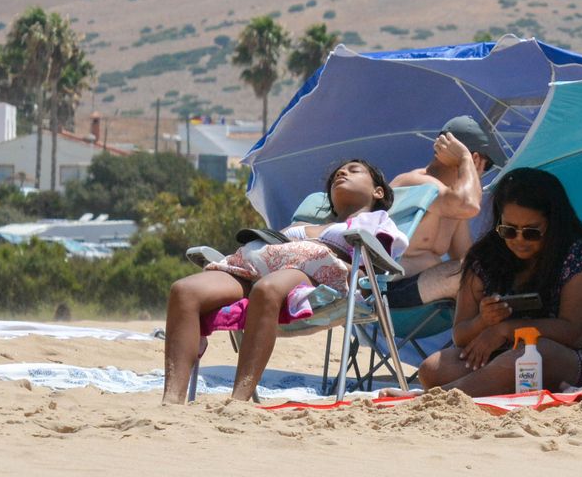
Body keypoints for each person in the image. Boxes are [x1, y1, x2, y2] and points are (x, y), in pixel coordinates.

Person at [161, 159, 404, 404]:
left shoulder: (375, 223)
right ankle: (171, 400)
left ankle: (238, 401)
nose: (342, 172)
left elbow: (375, 266)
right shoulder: (306, 225)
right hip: (256, 268)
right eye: (338, 174)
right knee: (185, 291)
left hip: (313, 274)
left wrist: (351, 268)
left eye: (354, 171)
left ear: (378, 191)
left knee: (268, 289)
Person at [412, 167, 582, 393]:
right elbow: (461, 336)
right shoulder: (484, 259)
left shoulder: (581, 258)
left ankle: (441, 396)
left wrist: (505, 330)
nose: (519, 240)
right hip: (504, 357)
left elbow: (575, 333)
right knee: (433, 368)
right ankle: (469, 388)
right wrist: (483, 321)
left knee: (536, 353)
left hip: (572, 360)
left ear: (554, 225)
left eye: (531, 232)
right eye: (509, 230)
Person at [384, 114, 506, 309]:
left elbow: (467, 256)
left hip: (422, 293)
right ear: (476, 159)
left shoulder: (451, 202)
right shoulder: (415, 182)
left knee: (488, 275)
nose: (483, 173)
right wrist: (465, 159)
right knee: (472, 276)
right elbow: (470, 204)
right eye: (487, 165)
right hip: (386, 293)